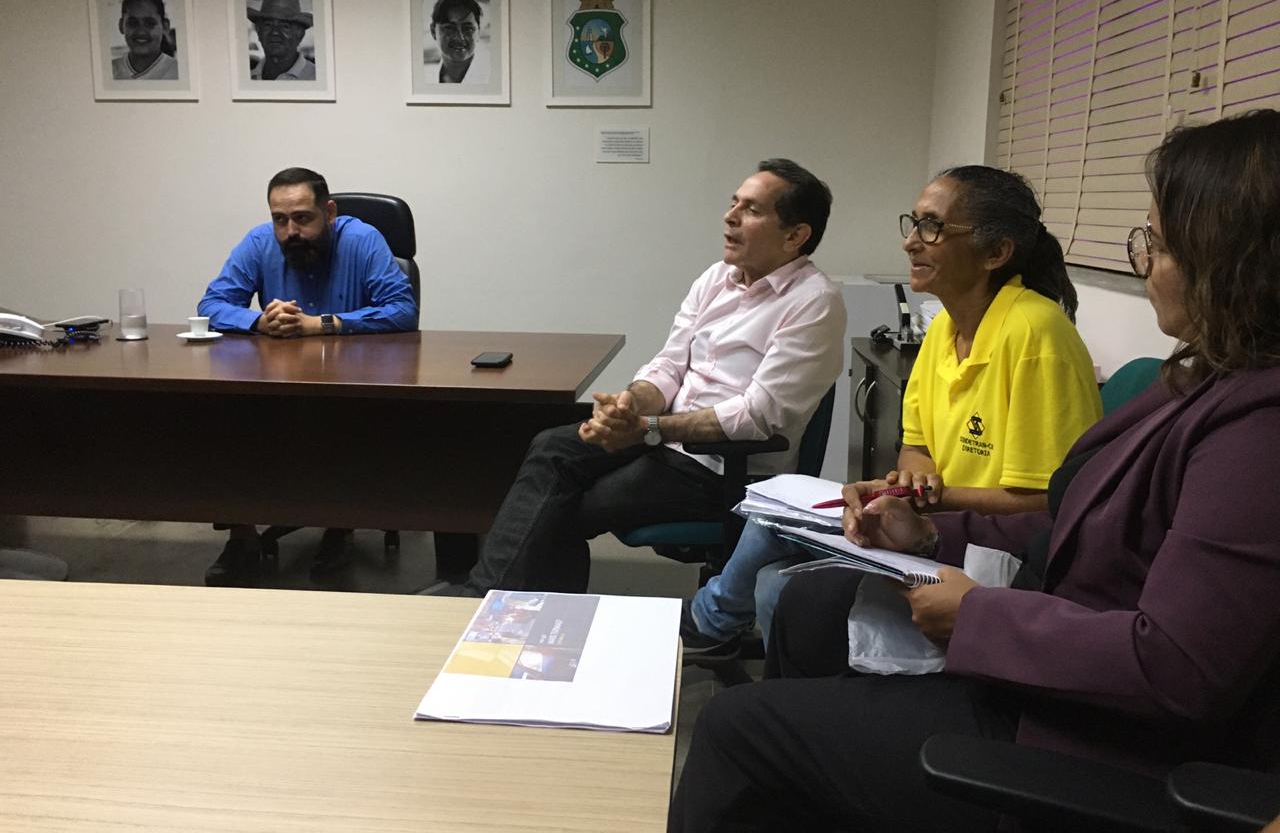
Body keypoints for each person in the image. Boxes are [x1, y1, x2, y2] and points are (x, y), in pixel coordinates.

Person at [669, 109, 1280, 832]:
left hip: (1084, 739)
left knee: (735, 728)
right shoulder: (1202, 379)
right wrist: (929, 536)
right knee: (805, 608)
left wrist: (978, 615)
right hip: (1046, 647)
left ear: (1235, 262)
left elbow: (1177, 665)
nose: (1146, 263)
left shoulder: (1257, 428)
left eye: (1160, 243)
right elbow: (1069, 521)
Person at [681, 165, 1102, 660]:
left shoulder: (1035, 334)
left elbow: (1048, 505)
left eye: (933, 227)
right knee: (773, 523)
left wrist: (922, 498)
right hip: (931, 525)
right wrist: (910, 483)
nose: (910, 242)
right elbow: (916, 447)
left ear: (996, 253)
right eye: (914, 222)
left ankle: (710, 627)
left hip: (989, 555)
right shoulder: (944, 329)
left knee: (779, 581)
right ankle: (716, 628)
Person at [435, 158, 847, 596]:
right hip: (662, 441)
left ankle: (485, 602)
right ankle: (501, 603)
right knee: (552, 447)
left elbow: (757, 417)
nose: (730, 216)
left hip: (722, 468)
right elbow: (669, 365)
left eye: (752, 209)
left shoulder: (814, 303)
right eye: (734, 203)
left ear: (795, 236)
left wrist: (647, 428)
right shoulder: (716, 278)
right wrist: (628, 405)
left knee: (559, 509)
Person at [198, 167, 417, 585]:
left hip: (352, 383)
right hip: (280, 383)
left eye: (302, 218)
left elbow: (403, 311)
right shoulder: (259, 242)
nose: (290, 232)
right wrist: (258, 321)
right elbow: (211, 305)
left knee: (337, 424)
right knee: (227, 414)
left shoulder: (362, 240)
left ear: (329, 212)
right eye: (280, 220)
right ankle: (242, 536)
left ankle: (339, 526)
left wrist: (323, 324)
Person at [248, 0, 315, 81]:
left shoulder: (315, 77)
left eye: (285, 26)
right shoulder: (248, 77)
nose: (275, 32)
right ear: (259, 31)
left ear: (299, 34)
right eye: (268, 25)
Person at [110, 0, 178, 80]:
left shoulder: (179, 72)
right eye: (133, 23)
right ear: (121, 26)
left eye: (150, 23)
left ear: (165, 27)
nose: (141, 31)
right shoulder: (108, 71)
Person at [426, 0, 487, 84]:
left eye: (468, 28)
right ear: (433, 31)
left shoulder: (492, 76)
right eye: (449, 28)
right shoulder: (425, 77)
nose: (460, 38)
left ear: (478, 31)